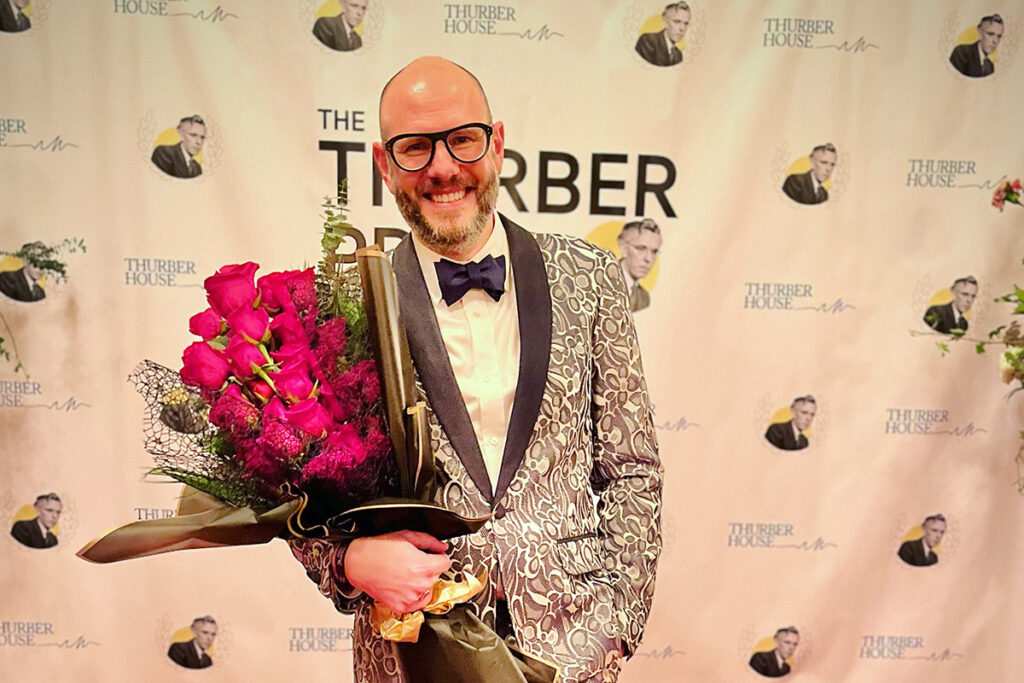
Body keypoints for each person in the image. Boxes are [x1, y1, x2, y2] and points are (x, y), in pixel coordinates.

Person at [288, 56, 662, 682]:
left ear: (497, 145)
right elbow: (304, 490)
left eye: (462, 139)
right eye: (415, 148)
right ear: (384, 164)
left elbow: (632, 467)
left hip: (571, 652)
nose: (441, 167)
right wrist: (348, 560)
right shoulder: (346, 303)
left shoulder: (592, 278)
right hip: (411, 654)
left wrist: (617, 624)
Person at [617, 218, 662, 312]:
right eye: (641, 248)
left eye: (654, 252)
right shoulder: (598, 287)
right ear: (623, 249)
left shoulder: (645, 298)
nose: (648, 259)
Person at [635, 2, 690, 67]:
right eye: (677, 21)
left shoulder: (678, 54)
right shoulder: (648, 40)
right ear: (665, 22)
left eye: (686, 24)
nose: (682, 28)